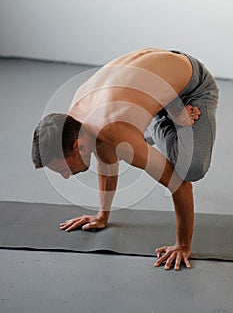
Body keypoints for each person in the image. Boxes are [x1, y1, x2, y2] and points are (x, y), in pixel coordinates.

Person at [31, 47, 219, 270]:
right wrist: (102, 215)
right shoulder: (77, 121)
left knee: (189, 169)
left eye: (64, 170)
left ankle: (161, 121)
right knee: (110, 143)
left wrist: (182, 245)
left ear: (77, 146)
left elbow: (180, 186)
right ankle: (159, 115)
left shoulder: (111, 129)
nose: (65, 177)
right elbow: (106, 162)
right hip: (157, 81)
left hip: (192, 86)